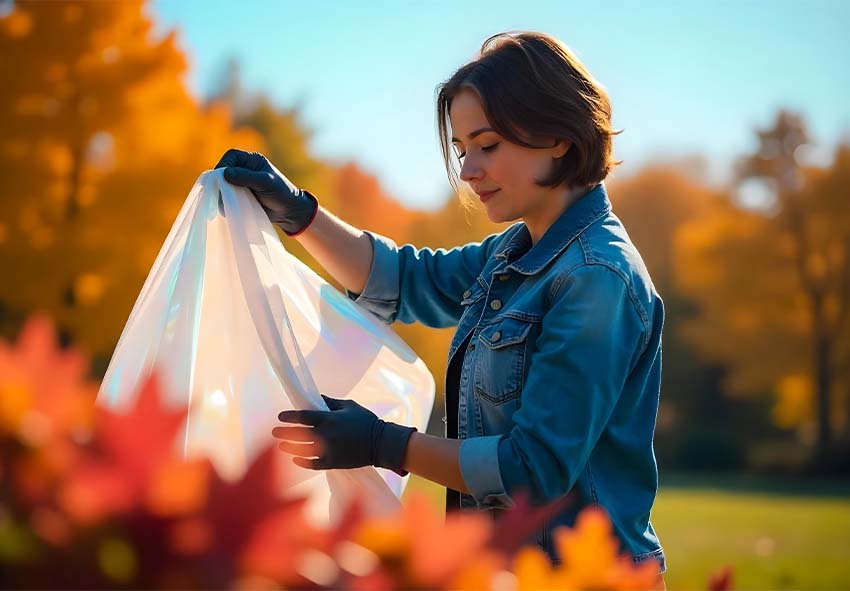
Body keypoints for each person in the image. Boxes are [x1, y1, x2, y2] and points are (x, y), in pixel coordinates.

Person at [214, 31, 666, 581]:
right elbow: (405, 279)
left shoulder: (596, 277)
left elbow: (532, 469)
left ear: (558, 136)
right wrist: (297, 212)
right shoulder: (513, 252)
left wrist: (383, 443)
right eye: (461, 150)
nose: (469, 170)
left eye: (489, 144)